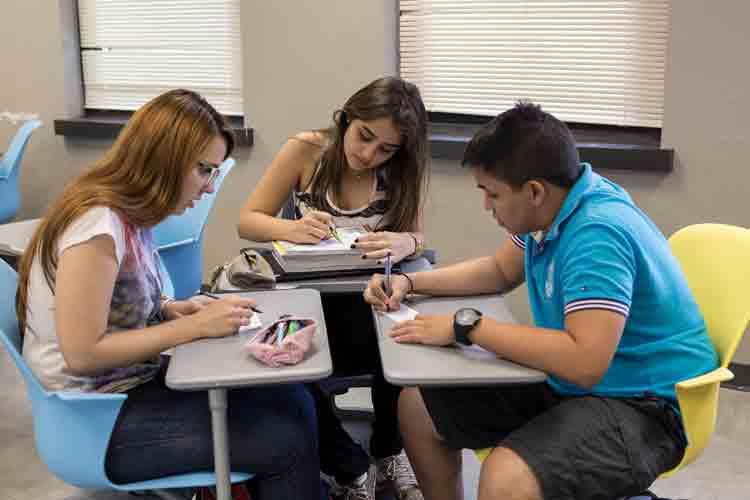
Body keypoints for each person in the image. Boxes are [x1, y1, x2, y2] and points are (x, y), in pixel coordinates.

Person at [363, 102, 720, 500]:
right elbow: (499, 270)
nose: (486, 206)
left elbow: (584, 363)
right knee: (418, 409)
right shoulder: (554, 209)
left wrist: (468, 327)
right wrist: (410, 282)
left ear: (534, 191)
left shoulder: (596, 233)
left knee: (505, 479)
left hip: (647, 405)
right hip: (578, 383)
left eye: (492, 194)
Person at [17, 89, 319, 500]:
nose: (210, 187)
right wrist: (192, 328)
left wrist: (172, 309)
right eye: (203, 170)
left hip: (126, 387)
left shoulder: (130, 213)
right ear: (161, 157)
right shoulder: (96, 226)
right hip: (95, 418)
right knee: (284, 440)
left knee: (293, 396)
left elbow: (119, 304)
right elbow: (83, 353)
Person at [238, 76, 429, 500]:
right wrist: (291, 227)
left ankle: (388, 450)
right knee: (288, 362)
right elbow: (248, 219)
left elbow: (419, 238)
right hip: (311, 305)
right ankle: (351, 467)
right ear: (346, 118)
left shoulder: (401, 169)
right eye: (364, 136)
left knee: (404, 343)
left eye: (386, 148)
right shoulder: (307, 148)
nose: (368, 154)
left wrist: (406, 241)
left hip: (372, 305)